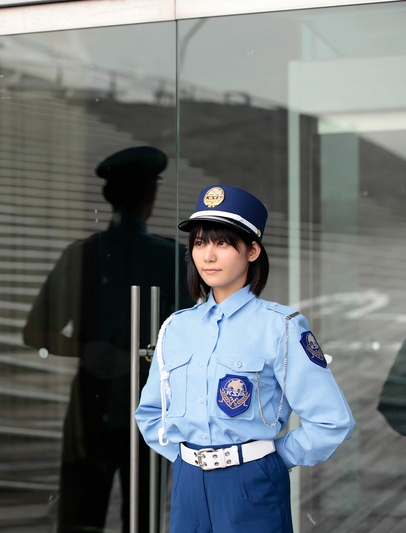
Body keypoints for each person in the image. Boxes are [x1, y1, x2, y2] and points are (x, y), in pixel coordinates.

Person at [135, 185, 355, 533]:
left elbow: (331, 421)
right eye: (200, 243)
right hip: (188, 483)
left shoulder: (280, 327)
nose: (207, 256)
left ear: (252, 250)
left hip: (250, 484)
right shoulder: (177, 327)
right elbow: (149, 413)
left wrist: (271, 459)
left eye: (222, 243)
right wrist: (185, 459)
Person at [23, 146, 191, 533]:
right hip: (151, 404)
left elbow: (34, 333)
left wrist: (86, 350)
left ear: (107, 196)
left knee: (81, 521)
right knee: (144, 518)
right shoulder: (173, 258)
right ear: (152, 197)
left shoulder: (81, 255)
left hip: (91, 406)